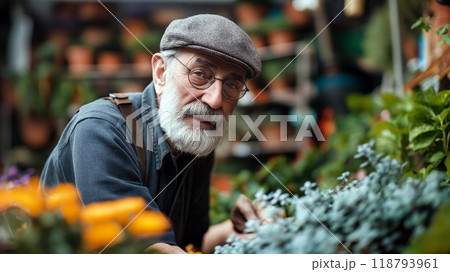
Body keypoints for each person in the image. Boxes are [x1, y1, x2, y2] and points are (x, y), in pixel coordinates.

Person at [40, 14, 262, 253]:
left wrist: (235, 230)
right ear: (161, 73)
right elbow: (153, 252)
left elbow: (186, 246)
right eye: (199, 74)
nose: (216, 99)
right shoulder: (103, 129)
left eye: (232, 85)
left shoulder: (195, 139)